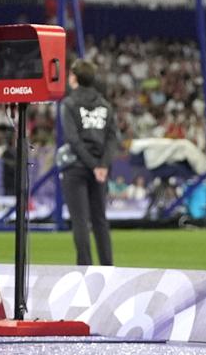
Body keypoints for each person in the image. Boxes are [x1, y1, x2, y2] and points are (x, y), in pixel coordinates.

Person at [60, 59, 119, 266]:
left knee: (80, 221)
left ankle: (84, 268)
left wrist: (93, 164)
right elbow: (112, 138)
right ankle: (108, 267)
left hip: (76, 167)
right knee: (100, 220)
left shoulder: (69, 104)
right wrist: (102, 165)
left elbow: (73, 139)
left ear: (74, 78)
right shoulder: (105, 105)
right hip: (100, 170)